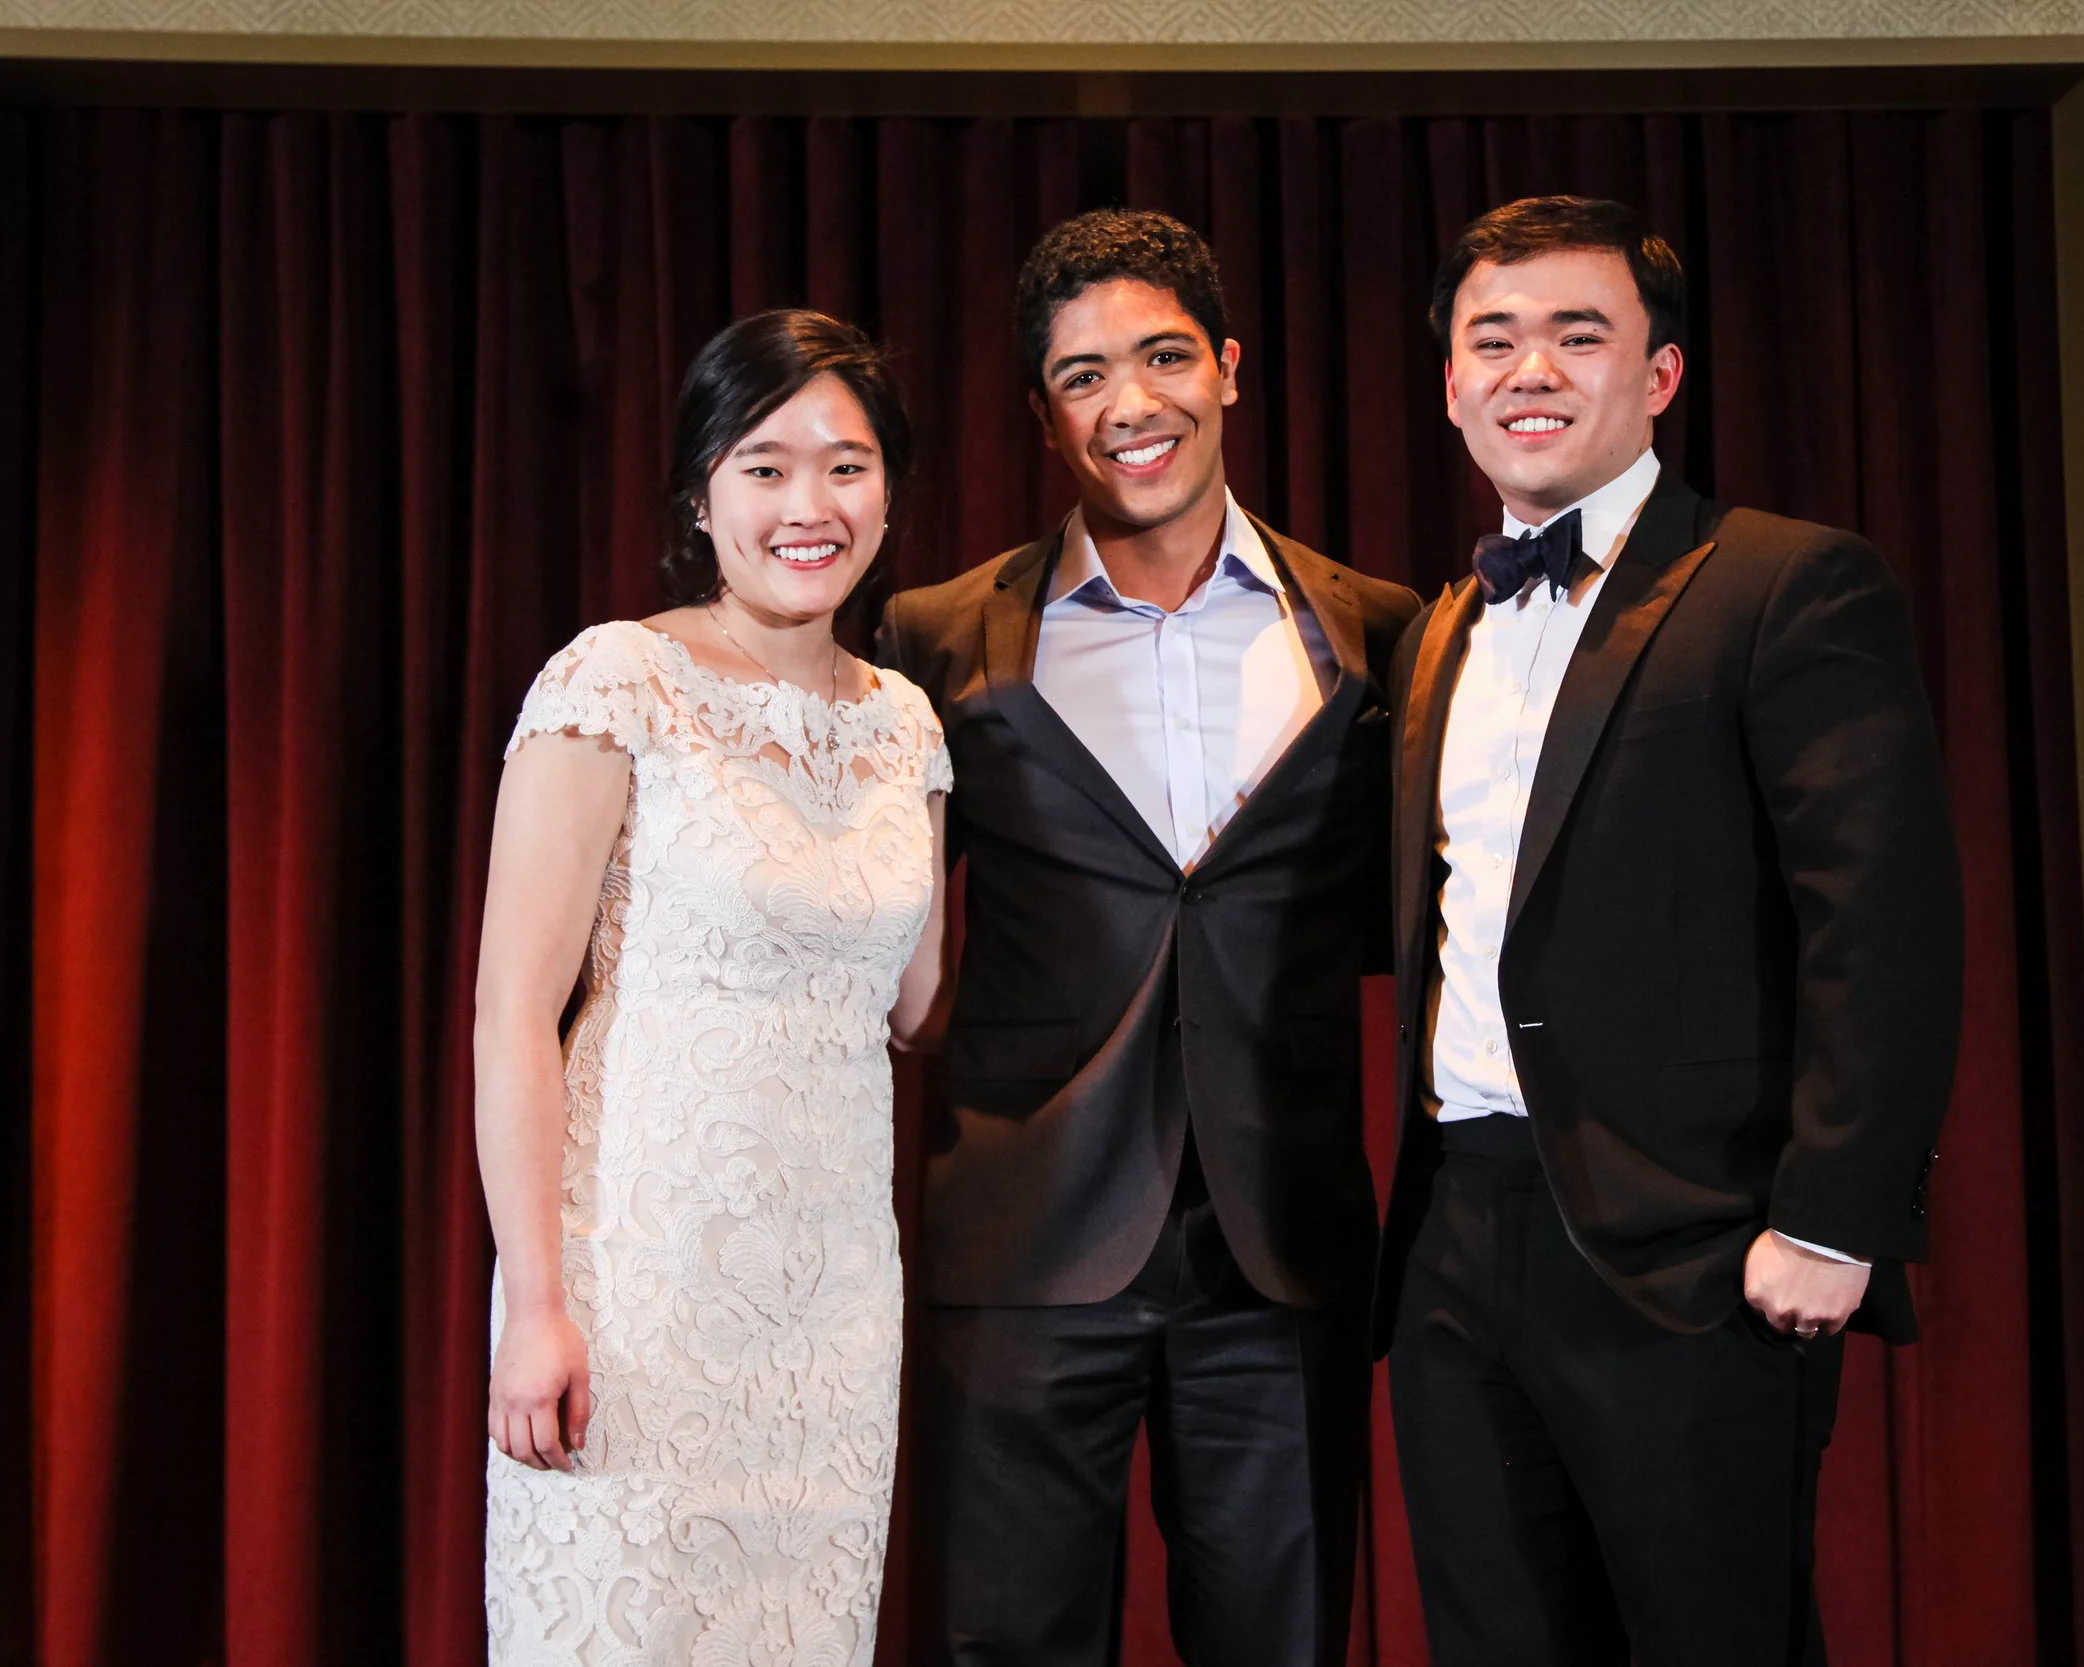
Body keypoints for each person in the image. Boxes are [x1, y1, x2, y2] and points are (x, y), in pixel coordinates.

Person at [1377, 195, 1965, 1666]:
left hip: (1696, 1249)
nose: (1530, 370)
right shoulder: (1438, 630)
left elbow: (1883, 923)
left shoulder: (1785, 581)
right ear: (1449, 384)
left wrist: (1832, 1218)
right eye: (1492, 340)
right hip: (1456, 1235)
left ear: (1660, 375)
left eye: (1578, 335)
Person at [874, 209, 1422, 1667]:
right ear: (1043, 412)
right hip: (1024, 1237)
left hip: (1282, 1246)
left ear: (1229, 367)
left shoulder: (1378, 631)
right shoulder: (937, 636)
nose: (1131, 402)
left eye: (1165, 357)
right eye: (1083, 375)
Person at [474, 310, 951, 1667]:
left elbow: (914, 1005)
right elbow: (513, 1011)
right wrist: (537, 1301)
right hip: (638, 1289)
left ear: (888, 491)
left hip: (833, 1307)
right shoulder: (618, 678)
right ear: (701, 492)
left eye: (847, 465)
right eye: (765, 466)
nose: (810, 504)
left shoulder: (906, 722)